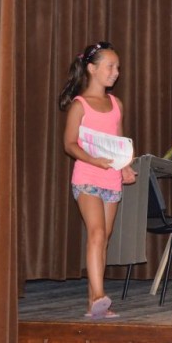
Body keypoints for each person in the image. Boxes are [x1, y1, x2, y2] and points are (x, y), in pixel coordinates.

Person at [59, 41, 137, 319]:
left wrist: (125, 166)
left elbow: (119, 143)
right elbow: (69, 144)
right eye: (110, 66)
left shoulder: (116, 104)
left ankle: (94, 301)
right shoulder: (80, 106)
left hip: (111, 179)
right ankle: (100, 295)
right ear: (92, 69)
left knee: (103, 239)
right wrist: (94, 160)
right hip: (87, 177)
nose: (116, 72)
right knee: (96, 233)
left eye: (118, 68)